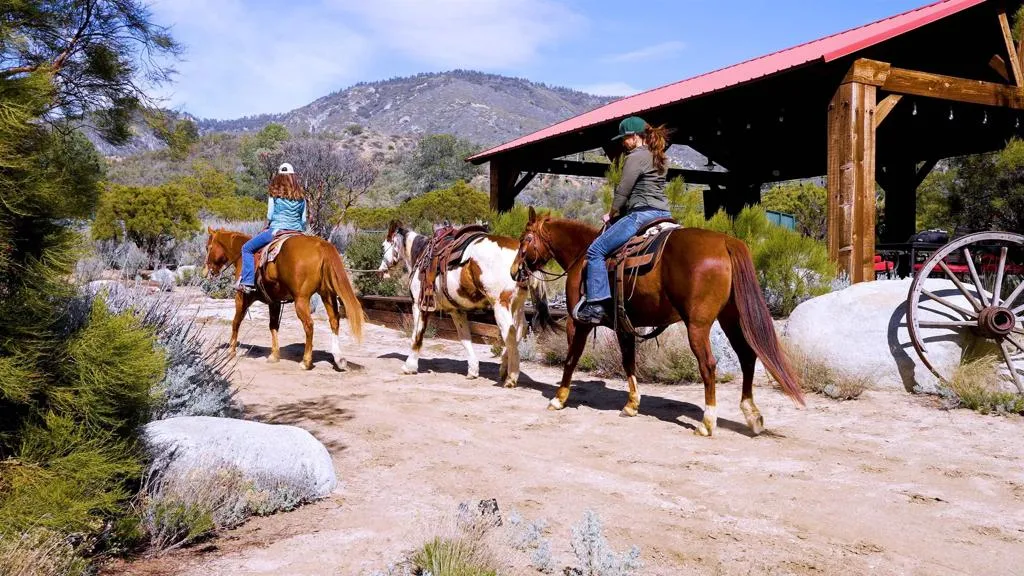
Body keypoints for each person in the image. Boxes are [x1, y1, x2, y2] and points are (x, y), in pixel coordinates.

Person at [574, 116, 672, 325]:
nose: (623, 143)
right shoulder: (659, 156)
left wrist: (611, 212)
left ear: (636, 137)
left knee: (595, 251)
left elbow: (623, 190)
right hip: (663, 215)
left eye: (625, 138)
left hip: (641, 215)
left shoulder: (635, 157)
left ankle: (597, 304)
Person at [237, 162, 308, 294]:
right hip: (297, 232)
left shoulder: (274, 193)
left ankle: (247, 282)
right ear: (293, 177)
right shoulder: (301, 196)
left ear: (279, 177)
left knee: (246, 248)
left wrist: (269, 225)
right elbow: (303, 220)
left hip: (277, 230)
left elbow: (269, 215)